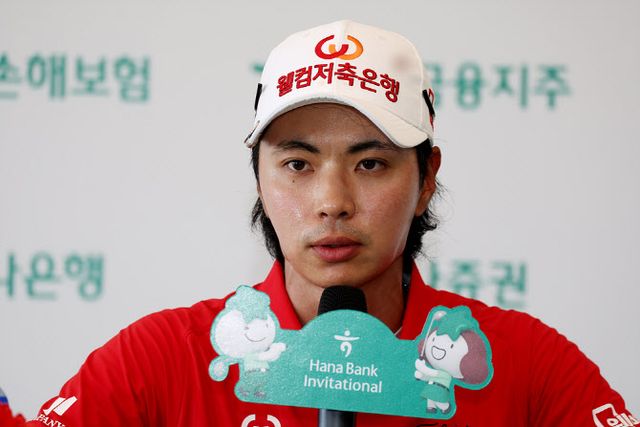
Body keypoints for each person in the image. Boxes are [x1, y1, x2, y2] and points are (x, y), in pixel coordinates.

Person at [24, 20, 635, 426]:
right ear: (259, 179)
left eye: (371, 163)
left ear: (425, 179)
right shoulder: (161, 360)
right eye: (298, 164)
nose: (332, 202)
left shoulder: (523, 364)